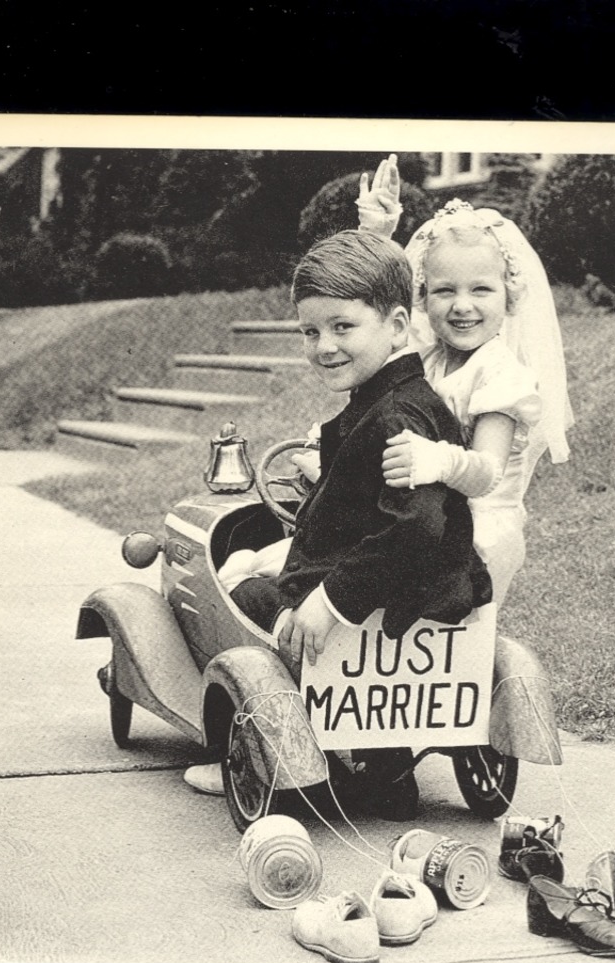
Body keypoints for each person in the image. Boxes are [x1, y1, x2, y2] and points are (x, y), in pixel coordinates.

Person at [186, 230, 493, 817]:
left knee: (246, 589)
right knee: (263, 570)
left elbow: (415, 527)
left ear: (400, 326)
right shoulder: (393, 402)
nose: (323, 346)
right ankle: (384, 759)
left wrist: (333, 601)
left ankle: (275, 739)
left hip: (386, 601)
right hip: (427, 592)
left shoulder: (394, 415)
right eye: (311, 331)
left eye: (342, 327)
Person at [356, 156, 573, 604]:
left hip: (474, 537)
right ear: (422, 296)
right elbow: (369, 331)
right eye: (444, 290)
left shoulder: (502, 376)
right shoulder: (429, 359)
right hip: (419, 521)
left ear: (508, 295)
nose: (462, 305)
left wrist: (433, 460)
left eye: (480, 290)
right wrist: (375, 239)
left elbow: (488, 474)